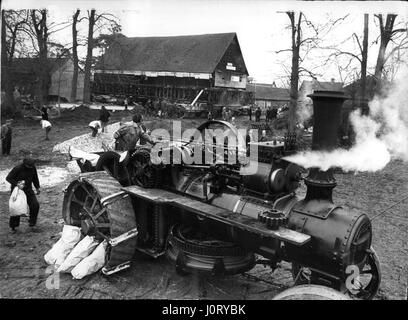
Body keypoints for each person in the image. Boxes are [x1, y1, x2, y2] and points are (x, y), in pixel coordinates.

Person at [6, 157, 41, 231]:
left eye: (32, 165)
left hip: (28, 190)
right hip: (17, 191)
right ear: (25, 164)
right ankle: (13, 226)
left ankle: (32, 223)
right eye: (30, 166)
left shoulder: (32, 168)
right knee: (16, 207)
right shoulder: (17, 168)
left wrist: (37, 187)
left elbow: (35, 178)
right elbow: (8, 178)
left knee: (35, 205)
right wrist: (17, 184)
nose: (31, 167)